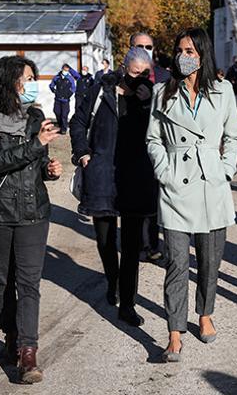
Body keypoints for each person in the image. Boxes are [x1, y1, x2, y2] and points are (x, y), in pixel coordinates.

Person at [146, 28, 237, 362]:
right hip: (176, 187)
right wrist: (164, 172)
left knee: (209, 261)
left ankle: (204, 314)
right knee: (175, 263)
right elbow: (153, 139)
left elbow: (234, 136)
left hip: (211, 185)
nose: (183, 56)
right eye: (179, 49)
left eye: (190, 50)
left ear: (202, 54)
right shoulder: (162, 92)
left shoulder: (223, 91)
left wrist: (225, 170)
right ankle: (174, 333)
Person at [0, 55, 63, 384]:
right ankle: (10, 332)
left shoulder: (36, 116)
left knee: (29, 284)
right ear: (8, 82)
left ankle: (28, 352)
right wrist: (36, 146)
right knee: (3, 281)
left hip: (34, 211)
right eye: (26, 78)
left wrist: (49, 170)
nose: (32, 84)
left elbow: (38, 161)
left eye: (34, 78)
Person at [69, 48, 157, 327]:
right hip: (102, 174)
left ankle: (128, 304)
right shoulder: (100, 90)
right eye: (134, 73)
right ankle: (113, 281)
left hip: (136, 178)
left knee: (132, 246)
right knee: (106, 239)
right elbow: (78, 122)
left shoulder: (153, 96)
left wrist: (147, 105)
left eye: (145, 74)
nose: (139, 79)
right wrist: (82, 151)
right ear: (122, 67)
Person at [129, 31, 171, 262]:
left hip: (159, 143)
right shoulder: (122, 77)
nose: (145, 50)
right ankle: (137, 243)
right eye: (139, 46)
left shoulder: (165, 76)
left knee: (156, 198)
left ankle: (153, 243)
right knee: (135, 197)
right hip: (132, 146)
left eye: (148, 46)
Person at [49, 63, 79, 135]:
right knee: (57, 112)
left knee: (64, 114)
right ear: (62, 69)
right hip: (57, 99)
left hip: (65, 100)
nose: (66, 71)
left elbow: (73, 88)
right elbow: (51, 85)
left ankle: (63, 129)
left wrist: (69, 94)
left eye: (67, 70)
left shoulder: (70, 78)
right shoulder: (56, 77)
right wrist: (54, 90)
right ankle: (60, 125)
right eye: (65, 69)